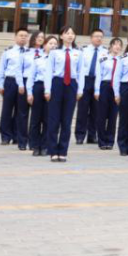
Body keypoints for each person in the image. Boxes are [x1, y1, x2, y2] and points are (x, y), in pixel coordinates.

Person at [42, 27, 84, 163]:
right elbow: (49, 71)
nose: (70, 36)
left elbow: (81, 72)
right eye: (67, 33)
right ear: (61, 36)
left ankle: (63, 151)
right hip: (57, 83)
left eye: (72, 33)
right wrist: (47, 90)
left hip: (71, 84)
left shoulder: (78, 53)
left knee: (67, 120)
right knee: (54, 119)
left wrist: (80, 90)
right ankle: (53, 151)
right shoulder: (55, 53)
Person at [0, 29, 29, 147]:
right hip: (10, 81)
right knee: (7, 110)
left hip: (24, 82)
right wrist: (0, 84)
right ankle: (5, 136)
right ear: (15, 37)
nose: (23, 38)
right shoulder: (8, 52)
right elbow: (1, 69)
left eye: (25, 36)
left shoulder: (30, 52)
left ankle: (17, 136)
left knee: (21, 110)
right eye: (21, 35)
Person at [26, 34, 57, 158]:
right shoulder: (38, 59)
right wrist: (29, 93)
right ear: (44, 45)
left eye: (55, 44)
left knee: (48, 119)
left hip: (53, 89)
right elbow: (31, 77)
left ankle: (45, 145)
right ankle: (34, 145)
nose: (53, 46)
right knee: (35, 119)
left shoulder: (58, 60)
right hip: (39, 88)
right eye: (50, 43)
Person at [74, 29, 105, 145]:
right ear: (91, 38)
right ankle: (80, 135)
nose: (99, 39)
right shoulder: (84, 50)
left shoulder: (105, 52)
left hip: (99, 81)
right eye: (96, 36)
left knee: (96, 110)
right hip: (85, 80)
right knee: (82, 109)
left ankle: (92, 135)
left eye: (101, 37)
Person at [16, 31, 43, 152]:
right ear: (33, 38)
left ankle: (34, 141)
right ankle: (22, 141)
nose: (40, 39)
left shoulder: (46, 53)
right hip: (25, 81)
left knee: (36, 115)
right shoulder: (25, 52)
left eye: (43, 37)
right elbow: (18, 69)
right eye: (38, 37)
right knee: (22, 113)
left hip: (37, 84)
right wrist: (21, 84)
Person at [94, 37, 122, 150]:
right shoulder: (103, 58)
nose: (117, 46)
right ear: (110, 46)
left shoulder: (122, 59)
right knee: (102, 115)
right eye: (115, 44)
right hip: (105, 86)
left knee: (113, 115)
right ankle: (101, 140)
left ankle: (110, 140)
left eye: (120, 45)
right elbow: (98, 75)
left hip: (117, 88)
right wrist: (97, 90)